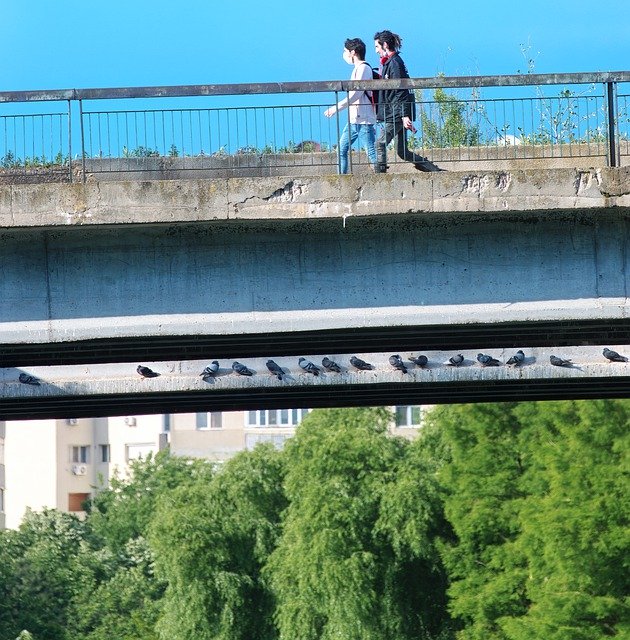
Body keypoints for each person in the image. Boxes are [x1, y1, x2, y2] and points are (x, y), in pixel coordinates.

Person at [373, 30, 442, 173]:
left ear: (385, 45)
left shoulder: (394, 63)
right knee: (402, 151)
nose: (376, 51)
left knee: (380, 143)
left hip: (396, 114)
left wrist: (404, 116)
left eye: (377, 47)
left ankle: (380, 177)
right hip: (397, 112)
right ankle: (434, 170)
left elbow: (401, 90)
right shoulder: (392, 62)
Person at [324, 38, 376, 174]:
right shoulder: (358, 69)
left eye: (345, 51)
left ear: (353, 52)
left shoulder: (363, 68)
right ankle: (342, 179)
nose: (344, 54)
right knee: (341, 150)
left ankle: (381, 176)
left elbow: (356, 94)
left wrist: (336, 108)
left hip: (363, 119)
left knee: (372, 153)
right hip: (355, 119)